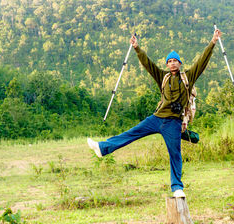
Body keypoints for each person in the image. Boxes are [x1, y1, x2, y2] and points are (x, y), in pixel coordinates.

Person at [88, 28, 222, 198]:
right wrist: (137, 48)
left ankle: (177, 188)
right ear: (167, 64)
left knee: (175, 153)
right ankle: (102, 148)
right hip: (157, 118)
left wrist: (213, 42)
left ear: (180, 64)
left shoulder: (189, 76)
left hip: (173, 122)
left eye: (175, 61)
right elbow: (148, 64)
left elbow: (202, 61)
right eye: (170, 61)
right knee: (132, 133)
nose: (172, 63)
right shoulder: (162, 77)